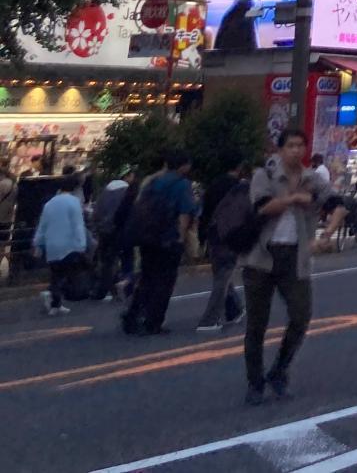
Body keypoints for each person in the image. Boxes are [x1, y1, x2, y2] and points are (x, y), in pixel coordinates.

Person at [242, 128, 332, 405]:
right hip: (261, 257)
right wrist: (294, 199)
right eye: (290, 146)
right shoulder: (264, 175)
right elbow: (262, 207)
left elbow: (336, 202)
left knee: (301, 315)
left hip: (295, 256)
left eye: (300, 146)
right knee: (257, 324)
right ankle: (255, 382)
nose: (296, 150)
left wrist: (327, 232)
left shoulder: (313, 178)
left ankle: (279, 370)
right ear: (280, 149)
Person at [122, 150, 197, 335]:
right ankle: (153, 321)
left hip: (147, 236)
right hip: (167, 238)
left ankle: (133, 315)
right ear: (183, 165)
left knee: (147, 277)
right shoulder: (182, 184)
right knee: (164, 281)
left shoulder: (153, 182)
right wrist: (180, 238)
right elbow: (184, 213)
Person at [195, 161, 253, 331]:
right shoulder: (240, 188)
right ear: (239, 167)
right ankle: (209, 320)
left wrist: (202, 235)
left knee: (222, 273)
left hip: (213, 233)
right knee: (223, 276)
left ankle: (234, 309)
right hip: (229, 235)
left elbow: (204, 211)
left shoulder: (213, 185)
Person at [31, 172, 88, 315]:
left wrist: (38, 243)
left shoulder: (49, 204)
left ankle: (56, 304)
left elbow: (42, 225)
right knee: (68, 273)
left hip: (52, 245)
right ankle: (50, 294)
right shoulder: (73, 202)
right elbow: (78, 225)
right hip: (68, 245)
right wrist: (81, 244)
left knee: (56, 273)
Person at [89, 165, 134, 299]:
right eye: (131, 175)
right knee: (127, 258)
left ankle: (102, 290)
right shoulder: (128, 191)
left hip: (105, 231)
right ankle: (125, 285)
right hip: (123, 230)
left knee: (108, 261)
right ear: (126, 176)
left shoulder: (106, 190)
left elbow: (96, 213)